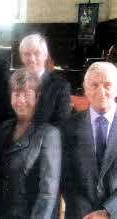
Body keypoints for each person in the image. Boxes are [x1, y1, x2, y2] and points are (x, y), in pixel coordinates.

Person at [0, 69, 61, 218]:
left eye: (27, 94)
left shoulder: (49, 134)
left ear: (37, 97)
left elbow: (48, 194)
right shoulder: (4, 128)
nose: (21, 100)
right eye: (16, 94)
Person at [62, 62, 117, 219]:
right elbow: (65, 178)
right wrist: (88, 214)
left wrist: (109, 211)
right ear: (85, 89)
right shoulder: (69, 127)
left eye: (107, 85)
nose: (101, 91)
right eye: (94, 85)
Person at [19, 34, 71, 127]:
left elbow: (61, 124)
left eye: (37, 53)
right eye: (27, 54)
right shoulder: (13, 83)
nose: (32, 58)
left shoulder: (60, 86)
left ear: (45, 55)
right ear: (21, 57)